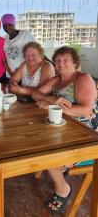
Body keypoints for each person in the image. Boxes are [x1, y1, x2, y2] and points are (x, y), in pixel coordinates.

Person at [32, 46, 97, 213]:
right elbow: (36, 94)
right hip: (62, 129)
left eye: (65, 59)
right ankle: (60, 167)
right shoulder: (56, 80)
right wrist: (51, 99)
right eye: (58, 60)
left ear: (75, 62)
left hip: (86, 136)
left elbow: (86, 110)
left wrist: (50, 107)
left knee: (46, 152)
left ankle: (63, 189)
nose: (60, 63)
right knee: (35, 142)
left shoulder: (82, 78)